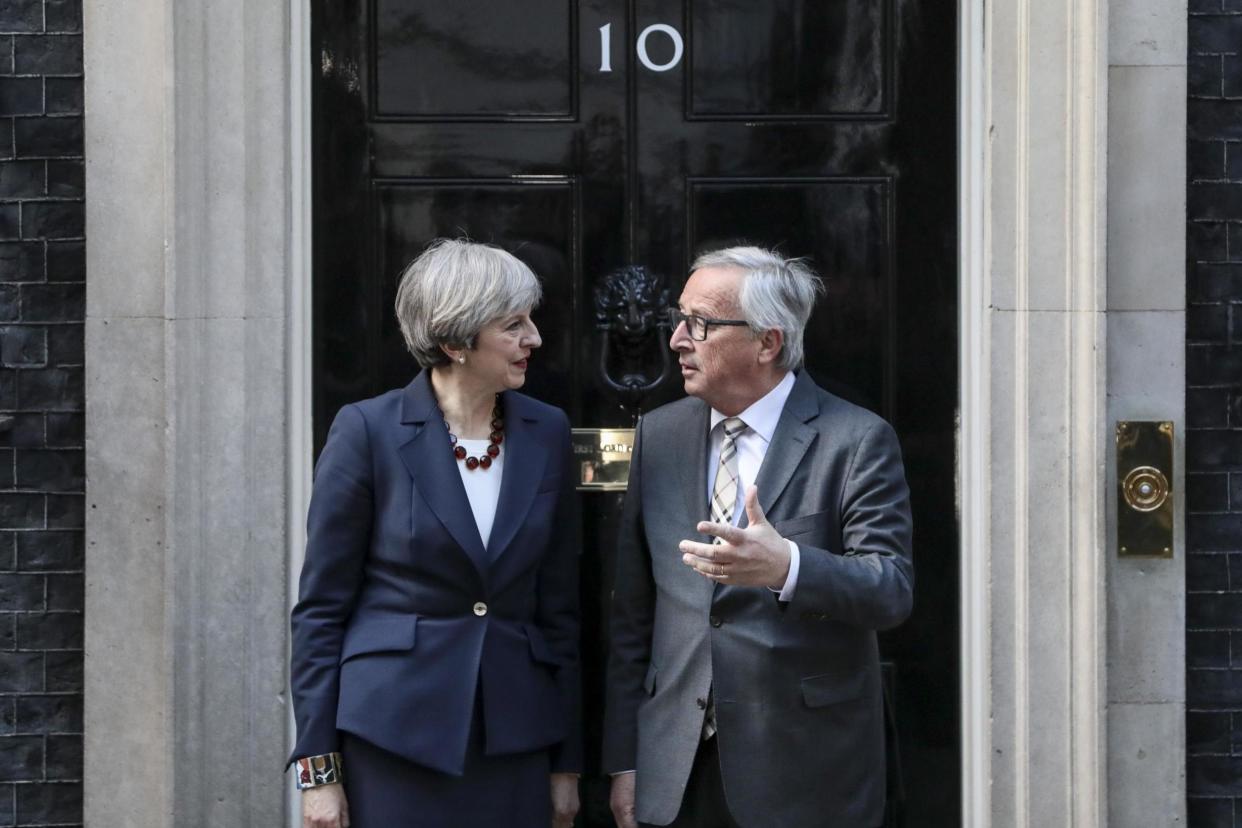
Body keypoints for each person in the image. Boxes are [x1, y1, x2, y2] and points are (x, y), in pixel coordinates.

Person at [602, 246, 914, 828]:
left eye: (700, 324)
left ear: (767, 342)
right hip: (676, 771)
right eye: (679, 318)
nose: (676, 340)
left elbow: (890, 588)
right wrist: (625, 760)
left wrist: (788, 567)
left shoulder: (856, 439)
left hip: (805, 771)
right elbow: (633, 619)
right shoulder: (660, 435)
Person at [288, 239, 581, 828]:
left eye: (531, 321)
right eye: (514, 325)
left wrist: (567, 763)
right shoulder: (367, 431)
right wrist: (318, 772)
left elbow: (561, 610)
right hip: (393, 738)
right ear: (455, 341)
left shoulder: (547, 431)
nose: (535, 339)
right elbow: (321, 611)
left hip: (515, 738)